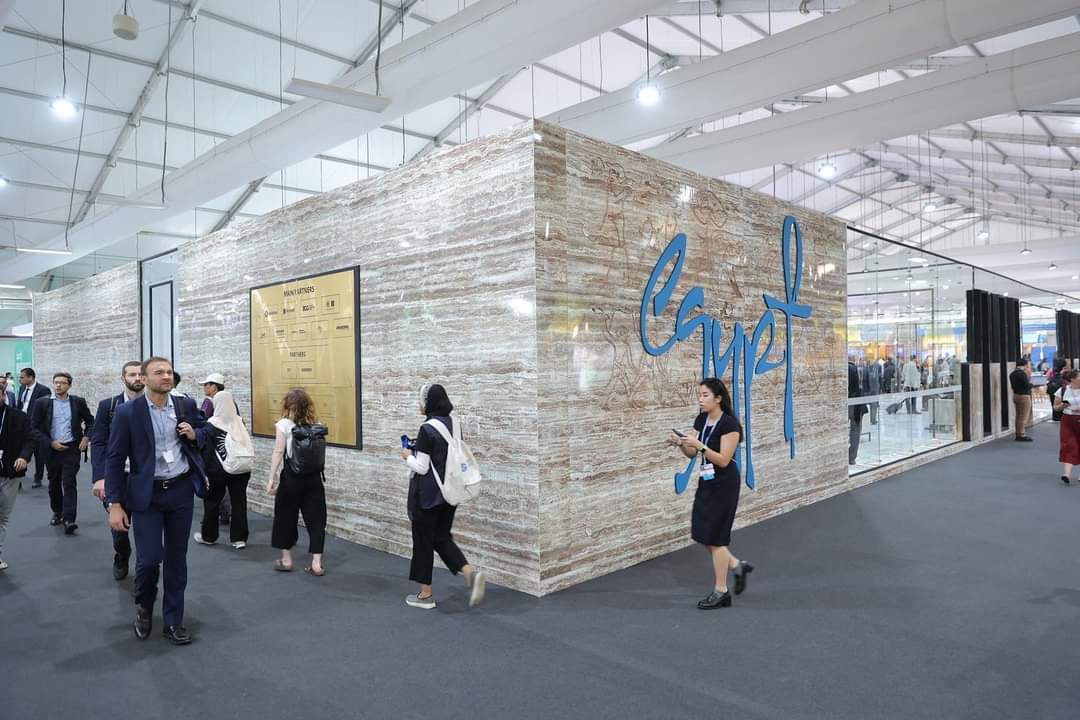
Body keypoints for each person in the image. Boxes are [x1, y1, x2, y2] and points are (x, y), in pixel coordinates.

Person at [106, 356, 212, 646]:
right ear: (144, 378)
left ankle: (173, 620)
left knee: (177, 558)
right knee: (150, 559)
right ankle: (144, 606)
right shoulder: (128, 412)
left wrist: (196, 433)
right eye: (159, 372)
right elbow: (114, 458)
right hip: (146, 494)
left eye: (169, 372)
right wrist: (115, 504)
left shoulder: (185, 405)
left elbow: (208, 431)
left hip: (180, 491)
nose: (166, 376)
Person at [668, 378, 752, 610]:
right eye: (700, 394)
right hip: (707, 482)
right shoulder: (702, 419)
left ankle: (721, 591)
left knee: (715, 538)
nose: (700, 399)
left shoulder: (730, 425)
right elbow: (691, 453)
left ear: (718, 398)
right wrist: (681, 443)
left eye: (705, 395)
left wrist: (700, 446)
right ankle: (737, 566)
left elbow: (723, 460)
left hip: (725, 485)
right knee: (702, 533)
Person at [401, 384, 486, 609]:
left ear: (428, 403)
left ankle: (425, 595)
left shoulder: (427, 429)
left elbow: (422, 467)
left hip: (428, 497)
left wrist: (407, 455)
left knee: (423, 543)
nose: (419, 404)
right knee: (441, 538)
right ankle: (469, 573)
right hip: (450, 493)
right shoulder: (454, 424)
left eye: (421, 400)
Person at [91, 361, 145, 580]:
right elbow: (99, 442)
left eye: (140, 374)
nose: (137, 378)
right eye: (132, 374)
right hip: (117, 475)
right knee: (119, 525)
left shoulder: (154, 405)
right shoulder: (109, 406)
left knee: (146, 526)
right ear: (123, 378)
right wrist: (100, 477)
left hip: (145, 475)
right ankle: (122, 555)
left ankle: (146, 566)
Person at [267, 389, 328, 576]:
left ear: (288, 405)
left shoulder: (284, 424)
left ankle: (286, 560)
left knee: (285, 517)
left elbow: (279, 452)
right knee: (316, 520)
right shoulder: (317, 425)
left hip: (291, 478)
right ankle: (316, 563)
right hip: (314, 478)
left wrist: (271, 477)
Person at [30, 372, 94, 534]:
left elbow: (91, 421)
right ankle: (57, 511)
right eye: (56, 382)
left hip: (71, 448)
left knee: (69, 482)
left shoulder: (78, 402)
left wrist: (86, 438)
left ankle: (69, 519)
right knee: (54, 482)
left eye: (62, 383)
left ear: (69, 385)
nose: (58, 385)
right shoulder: (42, 403)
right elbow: (34, 428)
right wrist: (51, 442)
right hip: (51, 449)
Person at [194, 390, 253, 550]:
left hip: (217, 471)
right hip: (241, 469)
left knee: (212, 502)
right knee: (239, 502)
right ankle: (239, 539)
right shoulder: (239, 421)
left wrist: (204, 471)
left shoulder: (211, 424)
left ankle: (209, 536)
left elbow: (206, 451)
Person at [0, 388, 35, 570]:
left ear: (3, 395)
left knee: (3, 516)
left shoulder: (19, 417)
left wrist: (23, 457)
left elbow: (30, 439)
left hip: (10, 471)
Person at [199, 373, 233, 526]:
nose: (204, 388)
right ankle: (225, 514)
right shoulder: (230, 401)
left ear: (213, 386)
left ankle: (211, 522)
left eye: (206, 385)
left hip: (214, 450)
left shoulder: (209, 402)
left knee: (214, 486)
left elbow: (202, 422)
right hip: (229, 448)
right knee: (226, 483)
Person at [16, 367, 51, 488]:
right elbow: (20, 405)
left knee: (38, 454)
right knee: (20, 451)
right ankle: (18, 477)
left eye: (22, 377)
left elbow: (46, 410)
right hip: (22, 424)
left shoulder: (43, 390)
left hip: (36, 426)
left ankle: (38, 478)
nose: (20, 379)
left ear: (30, 377)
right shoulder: (22, 388)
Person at [1053, 369, 1080, 485]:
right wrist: (1063, 406)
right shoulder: (1062, 390)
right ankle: (1066, 474)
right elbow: (1055, 407)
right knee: (1068, 445)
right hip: (1067, 420)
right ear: (1073, 379)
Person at [1009, 358, 1034, 442]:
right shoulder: (1022, 374)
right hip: (1024, 396)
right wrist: (1032, 384)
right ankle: (1021, 434)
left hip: (1015, 395)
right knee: (1023, 416)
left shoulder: (1012, 374)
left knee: (1018, 416)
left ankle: (1018, 433)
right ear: (1025, 365)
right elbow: (1026, 386)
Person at [848, 359, 867, 465]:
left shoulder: (845, 368)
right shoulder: (854, 369)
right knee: (856, 431)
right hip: (856, 404)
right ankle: (851, 457)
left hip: (848, 403)